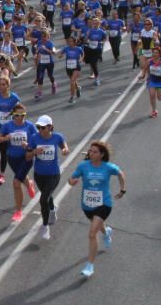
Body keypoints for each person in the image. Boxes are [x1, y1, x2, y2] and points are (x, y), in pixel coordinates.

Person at [68, 140, 127, 279]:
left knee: (92, 233)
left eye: (95, 152)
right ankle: (106, 232)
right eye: (90, 151)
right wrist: (72, 182)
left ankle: (90, 266)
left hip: (104, 204)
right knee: (98, 226)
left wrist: (122, 190)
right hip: (87, 204)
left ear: (101, 154)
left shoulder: (108, 167)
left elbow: (120, 174)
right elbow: (71, 179)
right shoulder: (83, 166)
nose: (91, 153)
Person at [26, 115, 68, 240]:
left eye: (43, 127)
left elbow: (64, 146)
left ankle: (45, 226)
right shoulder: (34, 138)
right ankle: (52, 209)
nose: (40, 130)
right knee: (47, 195)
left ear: (50, 127)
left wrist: (65, 150)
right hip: (39, 174)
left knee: (43, 198)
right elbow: (27, 157)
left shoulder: (57, 137)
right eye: (38, 127)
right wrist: (34, 152)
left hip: (53, 174)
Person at [0, 105, 38, 222]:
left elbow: (39, 141)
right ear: (13, 115)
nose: (20, 118)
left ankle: (18, 211)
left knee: (16, 182)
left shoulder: (30, 126)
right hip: (12, 158)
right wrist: (5, 138)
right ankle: (29, 184)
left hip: (26, 158)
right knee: (21, 177)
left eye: (22, 115)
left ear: (25, 115)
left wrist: (28, 145)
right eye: (17, 115)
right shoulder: (7, 126)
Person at [0, 76, 23, 186]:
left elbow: (20, 110)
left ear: (8, 85)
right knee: (3, 151)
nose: (1, 87)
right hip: (0, 127)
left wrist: (18, 118)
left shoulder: (14, 97)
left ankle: (1, 175)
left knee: (8, 152)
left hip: (12, 127)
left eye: (3, 84)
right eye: (0, 85)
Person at [146, 47, 161, 119]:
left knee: (160, 98)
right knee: (152, 95)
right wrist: (147, 75)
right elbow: (147, 68)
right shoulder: (149, 61)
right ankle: (154, 111)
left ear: (160, 54)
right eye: (153, 52)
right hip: (152, 80)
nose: (154, 54)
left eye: (156, 53)